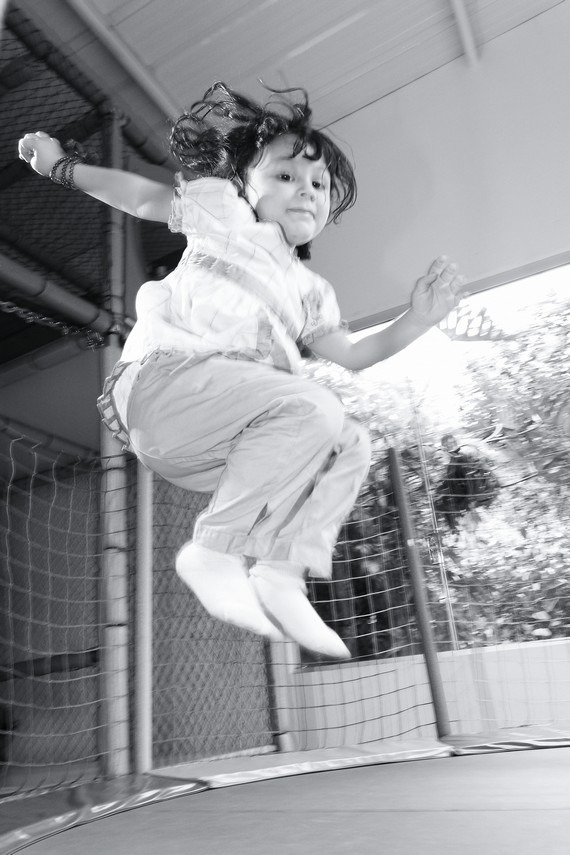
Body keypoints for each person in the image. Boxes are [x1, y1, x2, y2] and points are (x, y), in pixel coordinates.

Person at [18, 82, 464, 659]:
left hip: (217, 444)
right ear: (243, 186)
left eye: (319, 183)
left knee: (350, 441)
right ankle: (214, 552)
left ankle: (282, 574)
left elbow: (354, 355)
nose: (305, 190)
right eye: (284, 176)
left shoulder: (310, 291)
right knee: (313, 406)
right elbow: (143, 198)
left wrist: (416, 320)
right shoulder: (223, 214)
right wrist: (62, 167)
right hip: (164, 387)